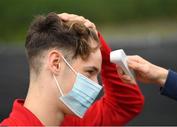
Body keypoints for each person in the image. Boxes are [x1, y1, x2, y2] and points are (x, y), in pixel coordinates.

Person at [0, 12, 144, 126]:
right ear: (56, 63)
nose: (96, 85)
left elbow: (125, 104)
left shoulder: (73, 123)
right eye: (90, 72)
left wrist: (96, 42)